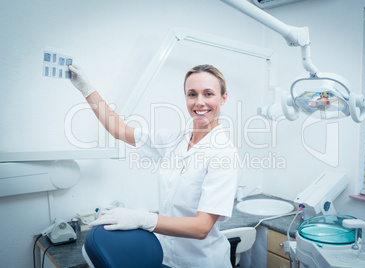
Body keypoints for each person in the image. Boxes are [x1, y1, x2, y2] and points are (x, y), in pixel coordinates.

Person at [68, 63, 238, 267]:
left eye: (208, 93)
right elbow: (119, 130)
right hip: (166, 258)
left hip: (202, 262)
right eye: (192, 94)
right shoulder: (175, 140)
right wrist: (87, 88)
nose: (199, 102)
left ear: (223, 98)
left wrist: (143, 219)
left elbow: (202, 227)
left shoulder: (224, 154)